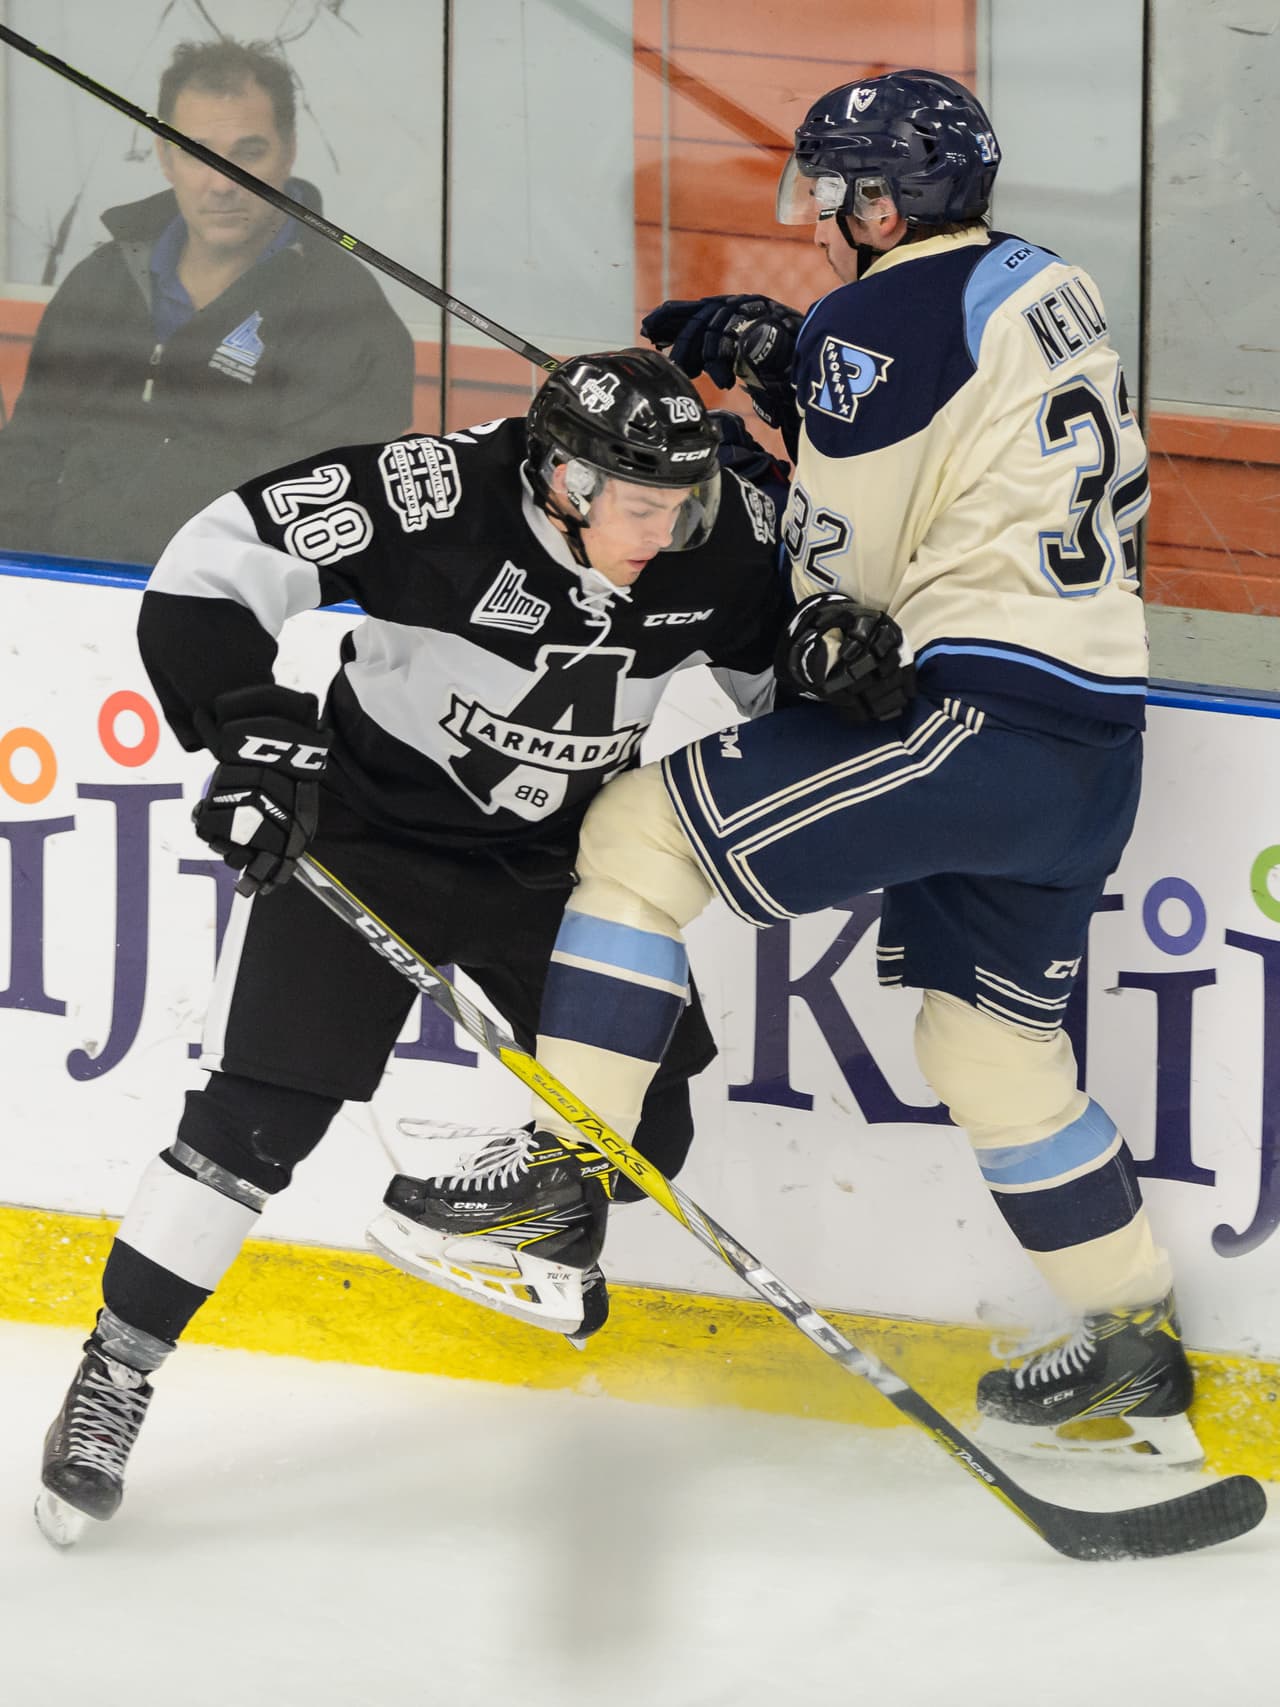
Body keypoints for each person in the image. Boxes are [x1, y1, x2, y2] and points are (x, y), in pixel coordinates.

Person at [456, 70, 1195, 1468]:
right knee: (990, 1046)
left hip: (971, 715)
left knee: (637, 837)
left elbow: (833, 596)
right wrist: (794, 363)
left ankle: (558, 1179)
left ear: (881, 199)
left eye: (837, 189)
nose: (823, 216)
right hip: (1092, 740)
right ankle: (1135, 1331)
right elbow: (959, 432)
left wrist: (745, 457)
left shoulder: (874, 318)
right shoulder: (1051, 283)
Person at [34, 347, 788, 1544]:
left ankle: (522, 1223)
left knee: (651, 1127)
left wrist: (830, 659)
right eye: (639, 507)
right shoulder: (434, 493)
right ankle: (113, 1377)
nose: (664, 532)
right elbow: (209, 568)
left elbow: (772, 693)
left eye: (679, 504)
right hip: (368, 837)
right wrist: (253, 733)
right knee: (251, 1127)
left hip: (559, 864)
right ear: (560, 481)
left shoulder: (725, 541)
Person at [0, 38, 413, 566]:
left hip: (228, 614)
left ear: (288, 152)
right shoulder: (99, 282)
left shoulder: (346, 313)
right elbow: (26, 457)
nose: (221, 183)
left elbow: (316, 524)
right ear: (165, 157)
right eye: (197, 153)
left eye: (248, 152)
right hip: (65, 595)